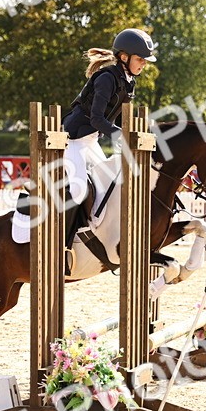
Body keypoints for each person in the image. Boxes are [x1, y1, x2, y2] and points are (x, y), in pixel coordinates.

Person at [60, 28, 157, 248]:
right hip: (73, 139)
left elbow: (122, 118)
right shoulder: (106, 78)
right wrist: (121, 138)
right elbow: (96, 118)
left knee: (106, 186)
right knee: (78, 189)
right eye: (140, 59)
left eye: (145, 60)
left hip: (90, 140)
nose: (144, 64)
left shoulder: (128, 81)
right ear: (124, 57)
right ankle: (62, 244)